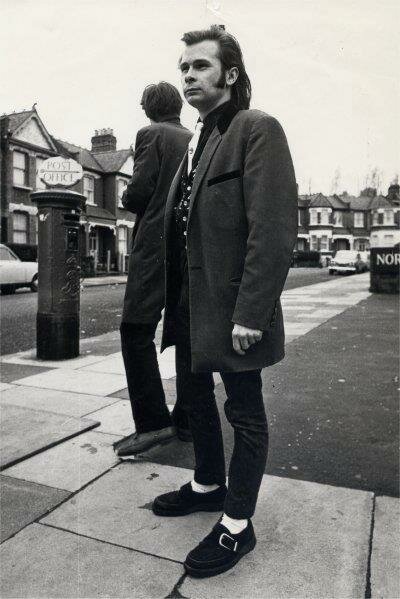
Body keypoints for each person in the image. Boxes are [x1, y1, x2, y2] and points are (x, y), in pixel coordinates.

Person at [151, 27, 298, 577]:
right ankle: (209, 482)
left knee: (244, 410)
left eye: (201, 67)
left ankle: (238, 525)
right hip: (190, 306)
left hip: (234, 310)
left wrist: (251, 313)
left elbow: (274, 229)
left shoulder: (256, 129)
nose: (188, 75)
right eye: (183, 67)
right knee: (192, 397)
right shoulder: (198, 140)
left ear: (230, 75)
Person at [114, 82, 192, 459]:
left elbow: (139, 192)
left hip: (154, 247)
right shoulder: (195, 136)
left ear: (148, 108)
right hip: (187, 248)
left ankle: (152, 423)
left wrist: (126, 197)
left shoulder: (151, 134)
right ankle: (188, 421)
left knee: (135, 329)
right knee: (184, 332)